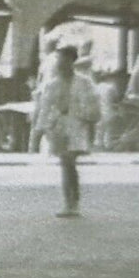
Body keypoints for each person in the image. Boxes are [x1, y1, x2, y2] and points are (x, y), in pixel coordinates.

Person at [32, 44, 100, 218]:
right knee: (66, 164)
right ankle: (69, 202)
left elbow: (94, 106)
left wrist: (87, 119)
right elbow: (45, 107)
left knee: (69, 162)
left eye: (64, 59)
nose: (60, 63)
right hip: (59, 127)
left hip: (77, 126)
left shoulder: (84, 82)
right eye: (59, 59)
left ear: (72, 61)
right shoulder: (52, 84)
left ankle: (73, 202)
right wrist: (41, 130)